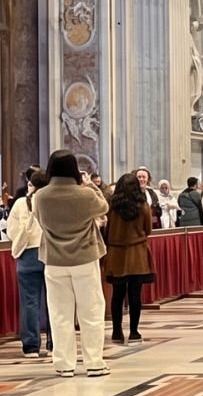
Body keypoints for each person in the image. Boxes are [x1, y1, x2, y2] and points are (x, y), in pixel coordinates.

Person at [33, 151, 109, 378]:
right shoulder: (84, 194)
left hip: (54, 261)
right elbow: (103, 206)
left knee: (59, 314)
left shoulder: (41, 196)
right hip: (84, 258)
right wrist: (89, 185)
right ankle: (94, 362)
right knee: (91, 311)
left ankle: (64, 364)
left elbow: (38, 218)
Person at [103, 172, 154, 343]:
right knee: (135, 294)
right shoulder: (143, 206)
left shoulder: (111, 208)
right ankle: (134, 332)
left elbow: (106, 231)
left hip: (117, 253)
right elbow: (148, 230)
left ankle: (117, 332)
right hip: (137, 253)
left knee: (117, 294)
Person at [6, 168, 51, 358]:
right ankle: (54, 344)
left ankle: (31, 346)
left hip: (27, 254)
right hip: (50, 253)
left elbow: (11, 231)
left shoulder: (19, 204)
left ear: (30, 184)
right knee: (53, 302)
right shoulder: (51, 201)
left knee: (29, 302)